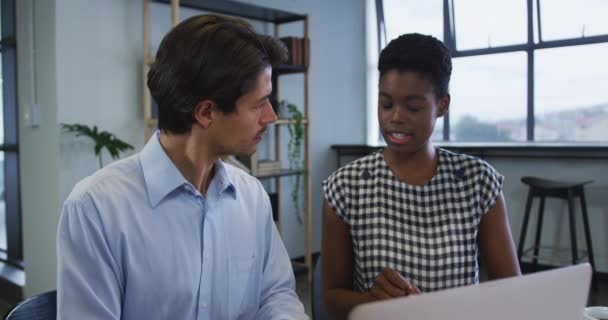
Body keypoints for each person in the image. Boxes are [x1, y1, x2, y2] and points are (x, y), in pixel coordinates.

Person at [57, 14, 308, 320]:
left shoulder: (251, 196)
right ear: (206, 112)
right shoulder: (96, 209)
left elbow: (276, 293)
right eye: (259, 104)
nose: (271, 117)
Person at [321, 33, 521, 320]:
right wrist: (370, 300)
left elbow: (511, 291)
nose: (396, 117)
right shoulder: (345, 188)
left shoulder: (478, 182)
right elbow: (331, 298)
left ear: (442, 105)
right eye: (386, 104)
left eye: (413, 107)